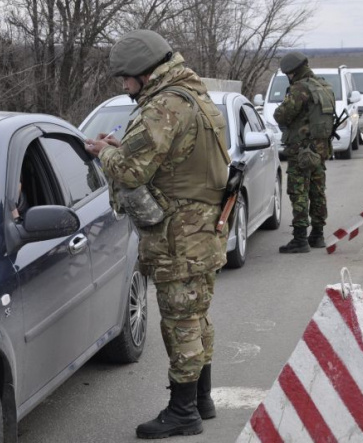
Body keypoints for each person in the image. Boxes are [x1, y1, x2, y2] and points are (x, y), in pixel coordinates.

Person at [84, 30, 230, 439]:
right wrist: (123, 146)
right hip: (204, 228)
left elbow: (131, 172)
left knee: (179, 321)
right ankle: (201, 399)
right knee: (196, 315)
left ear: (143, 73)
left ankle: (183, 412)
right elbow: (173, 159)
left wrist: (105, 152)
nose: (124, 86)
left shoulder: (164, 105)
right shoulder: (193, 94)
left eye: (125, 78)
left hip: (179, 236)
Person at [273, 51, 336, 253]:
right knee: (317, 191)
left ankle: (300, 239)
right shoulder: (324, 86)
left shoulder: (300, 88)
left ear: (292, 72)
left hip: (301, 150)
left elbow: (282, 115)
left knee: (298, 190)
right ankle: (317, 235)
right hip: (320, 148)